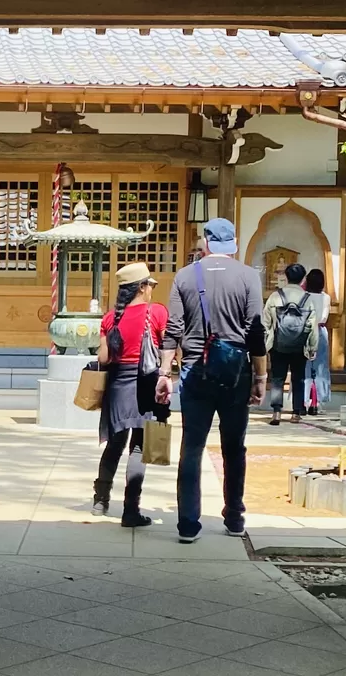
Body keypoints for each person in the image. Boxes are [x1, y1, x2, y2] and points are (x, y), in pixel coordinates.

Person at [156, 218, 267, 542]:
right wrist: (260, 376)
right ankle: (234, 517)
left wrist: (165, 373)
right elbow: (256, 331)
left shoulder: (185, 276)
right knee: (234, 447)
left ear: (205, 243)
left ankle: (188, 524)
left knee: (192, 447)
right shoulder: (248, 277)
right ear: (232, 245)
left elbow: (173, 329)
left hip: (194, 371)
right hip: (236, 372)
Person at [92, 262, 168, 529]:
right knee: (138, 447)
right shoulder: (156, 313)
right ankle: (130, 510)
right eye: (150, 286)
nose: (152, 291)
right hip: (145, 385)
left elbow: (104, 357)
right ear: (142, 287)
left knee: (115, 444)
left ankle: (100, 500)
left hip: (117, 386)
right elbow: (167, 348)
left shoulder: (110, 319)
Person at [263, 262, 319, 425]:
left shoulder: (275, 296)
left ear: (286, 277)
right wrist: (312, 346)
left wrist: (266, 344)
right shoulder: (307, 299)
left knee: (277, 378)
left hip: (278, 344)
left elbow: (266, 322)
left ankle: (276, 412)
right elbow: (312, 326)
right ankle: (296, 413)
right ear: (303, 279)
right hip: (300, 345)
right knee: (298, 378)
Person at [303, 267, 332, 413]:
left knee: (305, 367)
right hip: (320, 330)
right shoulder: (326, 297)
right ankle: (318, 402)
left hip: (305, 331)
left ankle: (304, 400)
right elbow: (325, 317)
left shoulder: (304, 296)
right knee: (320, 367)